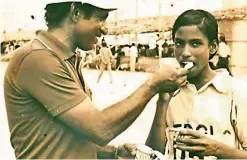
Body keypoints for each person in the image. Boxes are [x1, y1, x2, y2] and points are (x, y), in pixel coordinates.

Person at [3, 0, 188, 159]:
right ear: (75, 12)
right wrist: (152, 85)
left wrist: (112, 153)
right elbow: (100, 129)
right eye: (100, 18)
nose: (105, 29)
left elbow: (71, 135)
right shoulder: (38, 58)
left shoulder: (63, 58)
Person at [145, 9, 247, 159]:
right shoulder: (171, 92)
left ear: (213, 47)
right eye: (179, 43)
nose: (185, 52)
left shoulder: (234, 92)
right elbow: (152, 154)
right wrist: (162, 103)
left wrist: (216, 149)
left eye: (195, 43)